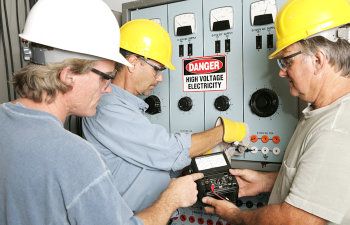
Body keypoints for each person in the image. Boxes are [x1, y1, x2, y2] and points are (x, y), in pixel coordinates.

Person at [0, 0, 204, 225]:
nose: (108, 88)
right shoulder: (75, 155)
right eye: (105, 77)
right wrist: (170, 200)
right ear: (68, 75)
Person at [202, 0, 350, 224]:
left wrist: (234, 215)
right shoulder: (321, 112)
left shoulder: (335, 128)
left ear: (318, 60)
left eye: (287, 61)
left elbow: (295, 220)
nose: (282, 72)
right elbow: (323, 188)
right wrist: (267, 181)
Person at [82, 19, 247, 212]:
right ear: (133, 63)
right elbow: (168, 152)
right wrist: (223, 132)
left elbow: (154, 164)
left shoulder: (127, 108)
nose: (160, 78)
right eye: (157, 69)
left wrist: (205, 154)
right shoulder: (107, 106)